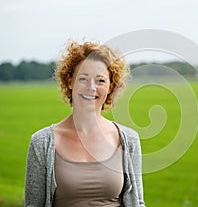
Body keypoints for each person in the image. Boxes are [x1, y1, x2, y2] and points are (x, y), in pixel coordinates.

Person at [25, 40, 146, 207]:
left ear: (111, 86)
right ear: (70, 81)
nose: (91, 87)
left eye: (100, 81)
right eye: (83, 78)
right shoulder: (41, 143)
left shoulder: (129, 140)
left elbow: (137, 202)